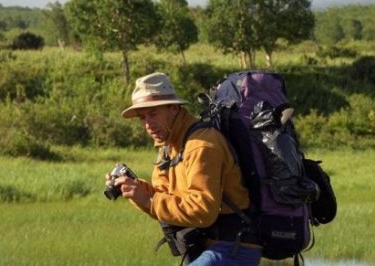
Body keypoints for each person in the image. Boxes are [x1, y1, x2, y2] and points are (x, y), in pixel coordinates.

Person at [106, 72, 261, 266]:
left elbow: (202, 211)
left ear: (174, 108)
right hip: (209, 247)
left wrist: (147, 199)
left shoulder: (202, 145)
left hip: (234, 249)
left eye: (153, 114)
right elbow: (164, 202)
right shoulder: (168, 147)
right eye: (142, 117)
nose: (147, 124)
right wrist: (135, 190)